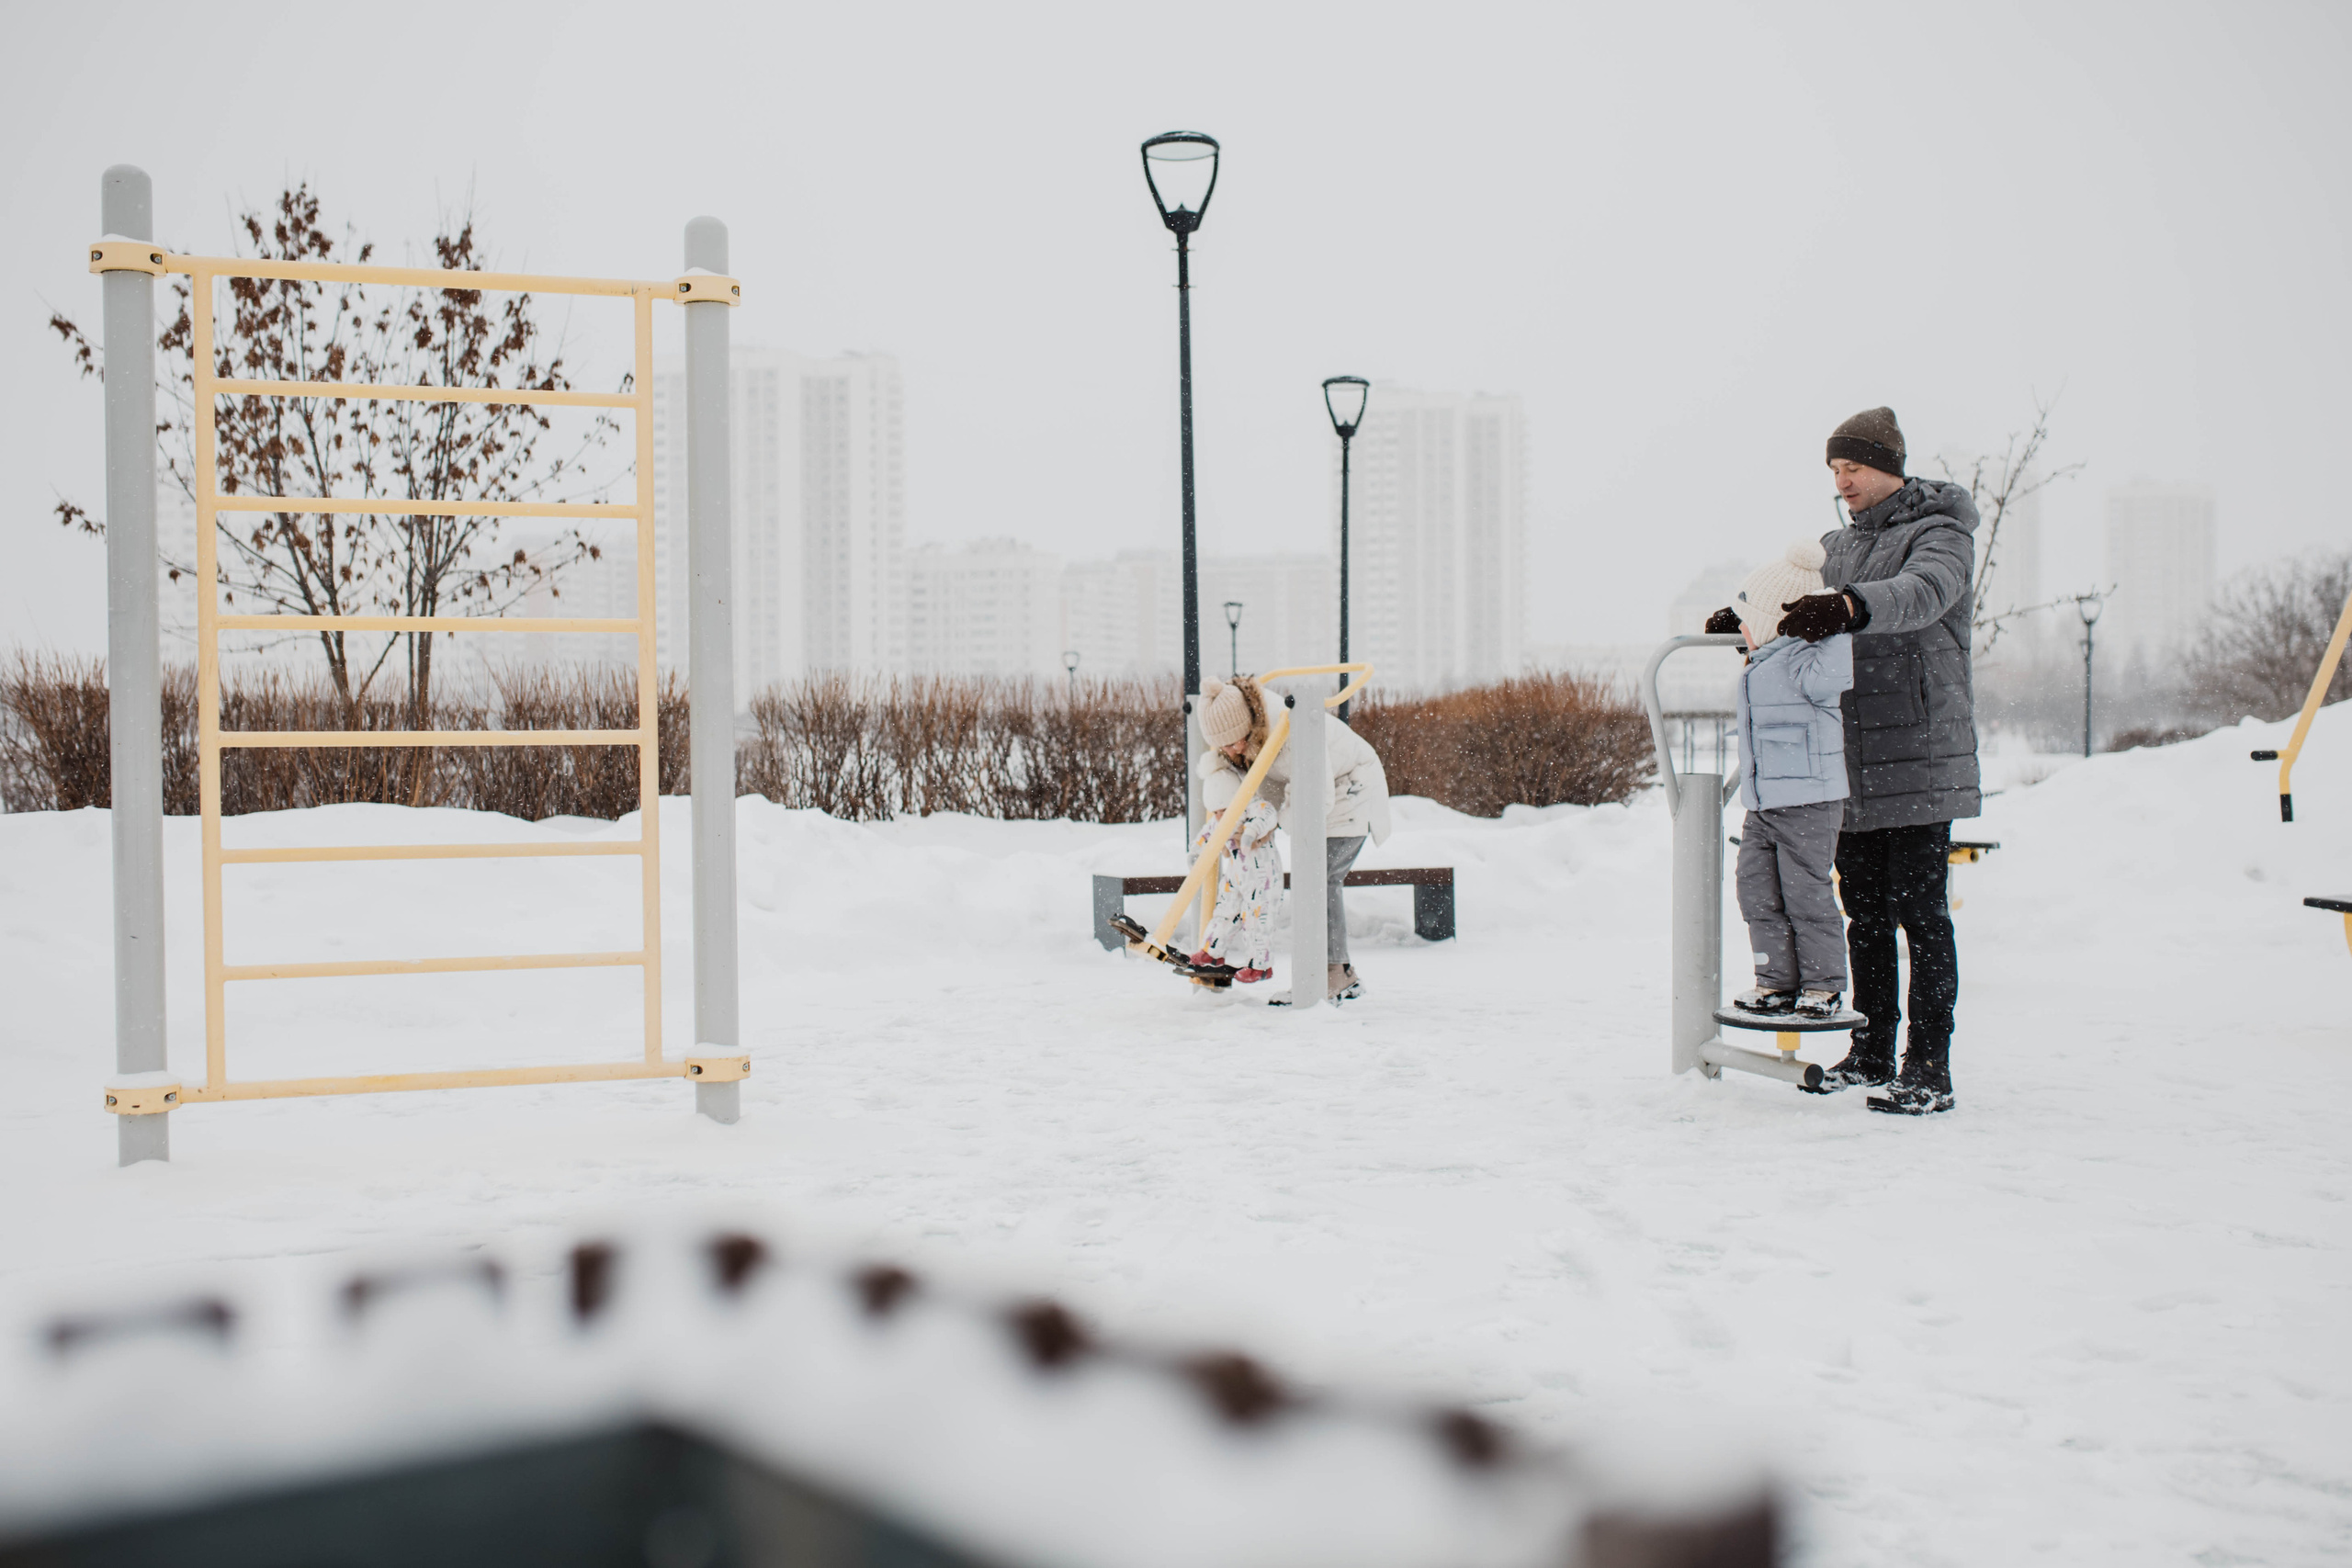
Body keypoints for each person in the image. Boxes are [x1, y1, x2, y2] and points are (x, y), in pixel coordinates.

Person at [1715, 407, 1978, 1115]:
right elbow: (1784, 604)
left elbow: (1922, 593)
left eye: (1853, 466)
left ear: (1888, 465)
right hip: (1848, 761)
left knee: (1921, 914)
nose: (1843, 480)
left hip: (1919, 755)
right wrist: (1742, 619)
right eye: (1835, 469)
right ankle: (1870, 1051)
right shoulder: (1836, 546)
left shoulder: (1941, 534)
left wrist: (1850, 606)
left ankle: (1929, 1066)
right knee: (1862, 912)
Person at [1196, 675, 1393, 999]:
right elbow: (1269, 783)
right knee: (1315, 878)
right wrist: (1253, 822)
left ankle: (1335, 973)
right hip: (1326, 789)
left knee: (1320, 879)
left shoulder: (1289, 729)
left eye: (1233, 742)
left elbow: (1315, 798)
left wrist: (1271, 824)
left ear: (1246, 726)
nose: (1231, 751)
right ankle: (1332, 974)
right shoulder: (1254, 731)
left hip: (1350, 789)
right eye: (1223, 746)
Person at [1720, 541, 1853, 1021]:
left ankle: (1823, 986)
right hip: (1763, 804)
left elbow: (1834, 670)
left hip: (1809, 803)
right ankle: (1775, 980)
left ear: (1773, 622)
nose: (1742, 628)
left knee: (1805, 895)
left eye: (1746, 619)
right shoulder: (1762, 660)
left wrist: (1833, 621)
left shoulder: (1808, 660)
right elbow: (1762, 643)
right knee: (1755, 890)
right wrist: (1738, 630)